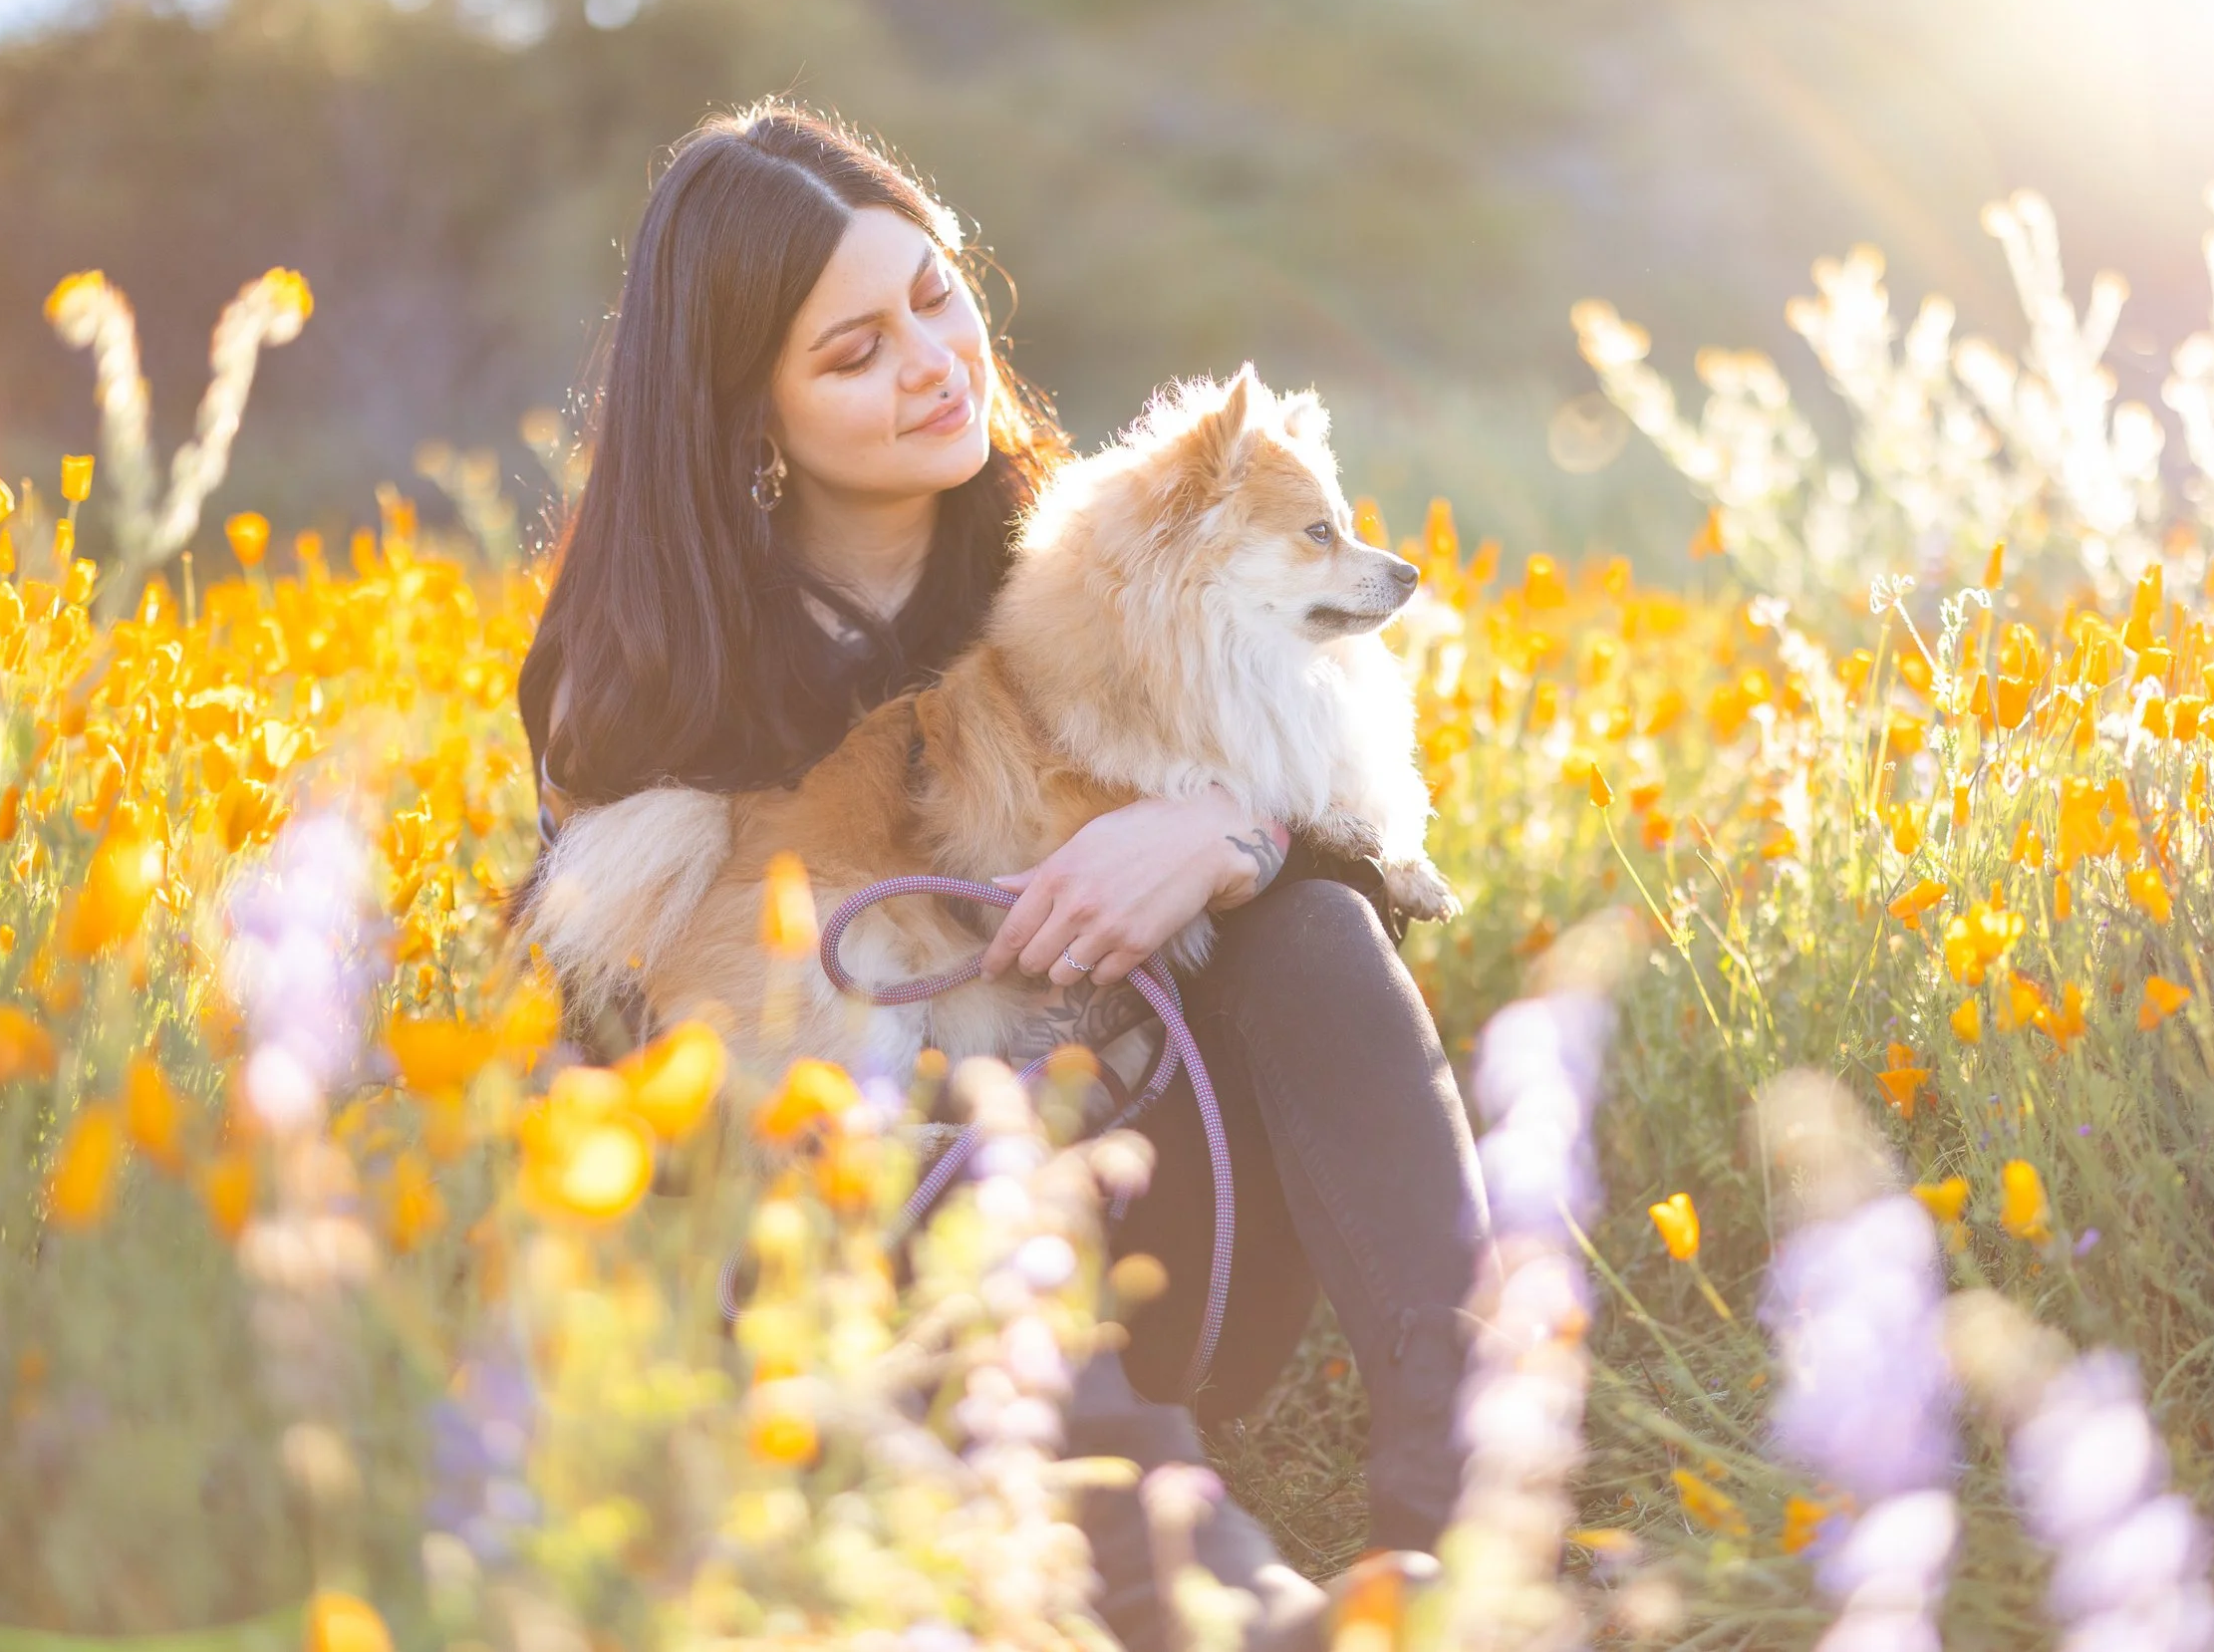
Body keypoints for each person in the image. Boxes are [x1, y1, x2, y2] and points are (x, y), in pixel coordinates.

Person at [513, 100, 1496, 1649]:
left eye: (937, 293)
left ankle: (1478, 1528)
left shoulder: (1081, 549)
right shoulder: (639, 679)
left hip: (1183, 1229)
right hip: (891, 1318)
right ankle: (1218, 1608)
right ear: (747, 417)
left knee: (1312, 926)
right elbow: (638, 1072)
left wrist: (1228, 838)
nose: (934, 360)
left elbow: (1369, 859)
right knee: (882, 1149)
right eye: (855, 353)